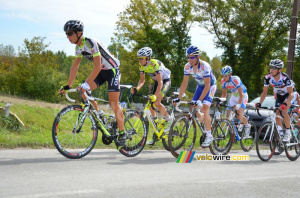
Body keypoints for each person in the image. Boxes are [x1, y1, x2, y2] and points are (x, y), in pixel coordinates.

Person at [59, 20, 126, 149]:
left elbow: (97, 66)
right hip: (101, 72)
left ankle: (122, 133)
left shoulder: (90, 42)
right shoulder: (78, 47)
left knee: (113, 104)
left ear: (79, 33)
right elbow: (75, 66)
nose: (67, 36)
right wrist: (68, 85)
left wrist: (86, 83)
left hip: (112, 71)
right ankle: (100, 115)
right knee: (83, 92)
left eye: (70, 33)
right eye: (66, 34)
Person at [172, 45, 217, 147]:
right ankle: (203, 122)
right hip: (200, 86)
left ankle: (209, 135)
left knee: (205, 108)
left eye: (192, 57)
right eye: (188, 57)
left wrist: (200, 100)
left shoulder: (205, 66)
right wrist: (179, 98)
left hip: (210, 86)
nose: (190, 59)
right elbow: (184, 83)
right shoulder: (187, 66)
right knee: (192, 107)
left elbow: (207, 85)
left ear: (198, 57)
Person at [130, 47, 172, 145]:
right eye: (139, 58)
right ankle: (156, 124)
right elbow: (142, 80)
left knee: (156, 102)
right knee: (149, 105)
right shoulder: (141, 66)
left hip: (165, 81)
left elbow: (161, 82)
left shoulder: (154, 63)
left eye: (141, 58)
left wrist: (156, 96)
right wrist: (137, 88)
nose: (140, 60)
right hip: (157, 82)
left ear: (148, 58)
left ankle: (169, 119)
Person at [256, 59, 294, 142]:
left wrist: (286, 102)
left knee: (284, 112)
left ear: (279, 70)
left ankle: (288, 132)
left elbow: (291, 93)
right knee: (277, 115)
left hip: (288, 96)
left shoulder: (284, 78)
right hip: (279, 96)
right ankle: (281, 134)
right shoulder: (267, 78)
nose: (271, 70)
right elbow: (264, 92)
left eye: (274, 68)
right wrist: (259, 103)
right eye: (271, 67)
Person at [220, 65, 251, 137]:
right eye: (223, 76)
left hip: (242, 96)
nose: (224, 78)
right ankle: (230, 132)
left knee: (239, 114)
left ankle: (247, 126)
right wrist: (221, 101)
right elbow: (224, 94)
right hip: (234, 96)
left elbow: (241, 94)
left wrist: (239, 104)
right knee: (228, 115)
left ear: (230, 74)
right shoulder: (223, 81)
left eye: (226, 76)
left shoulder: (236, 79)